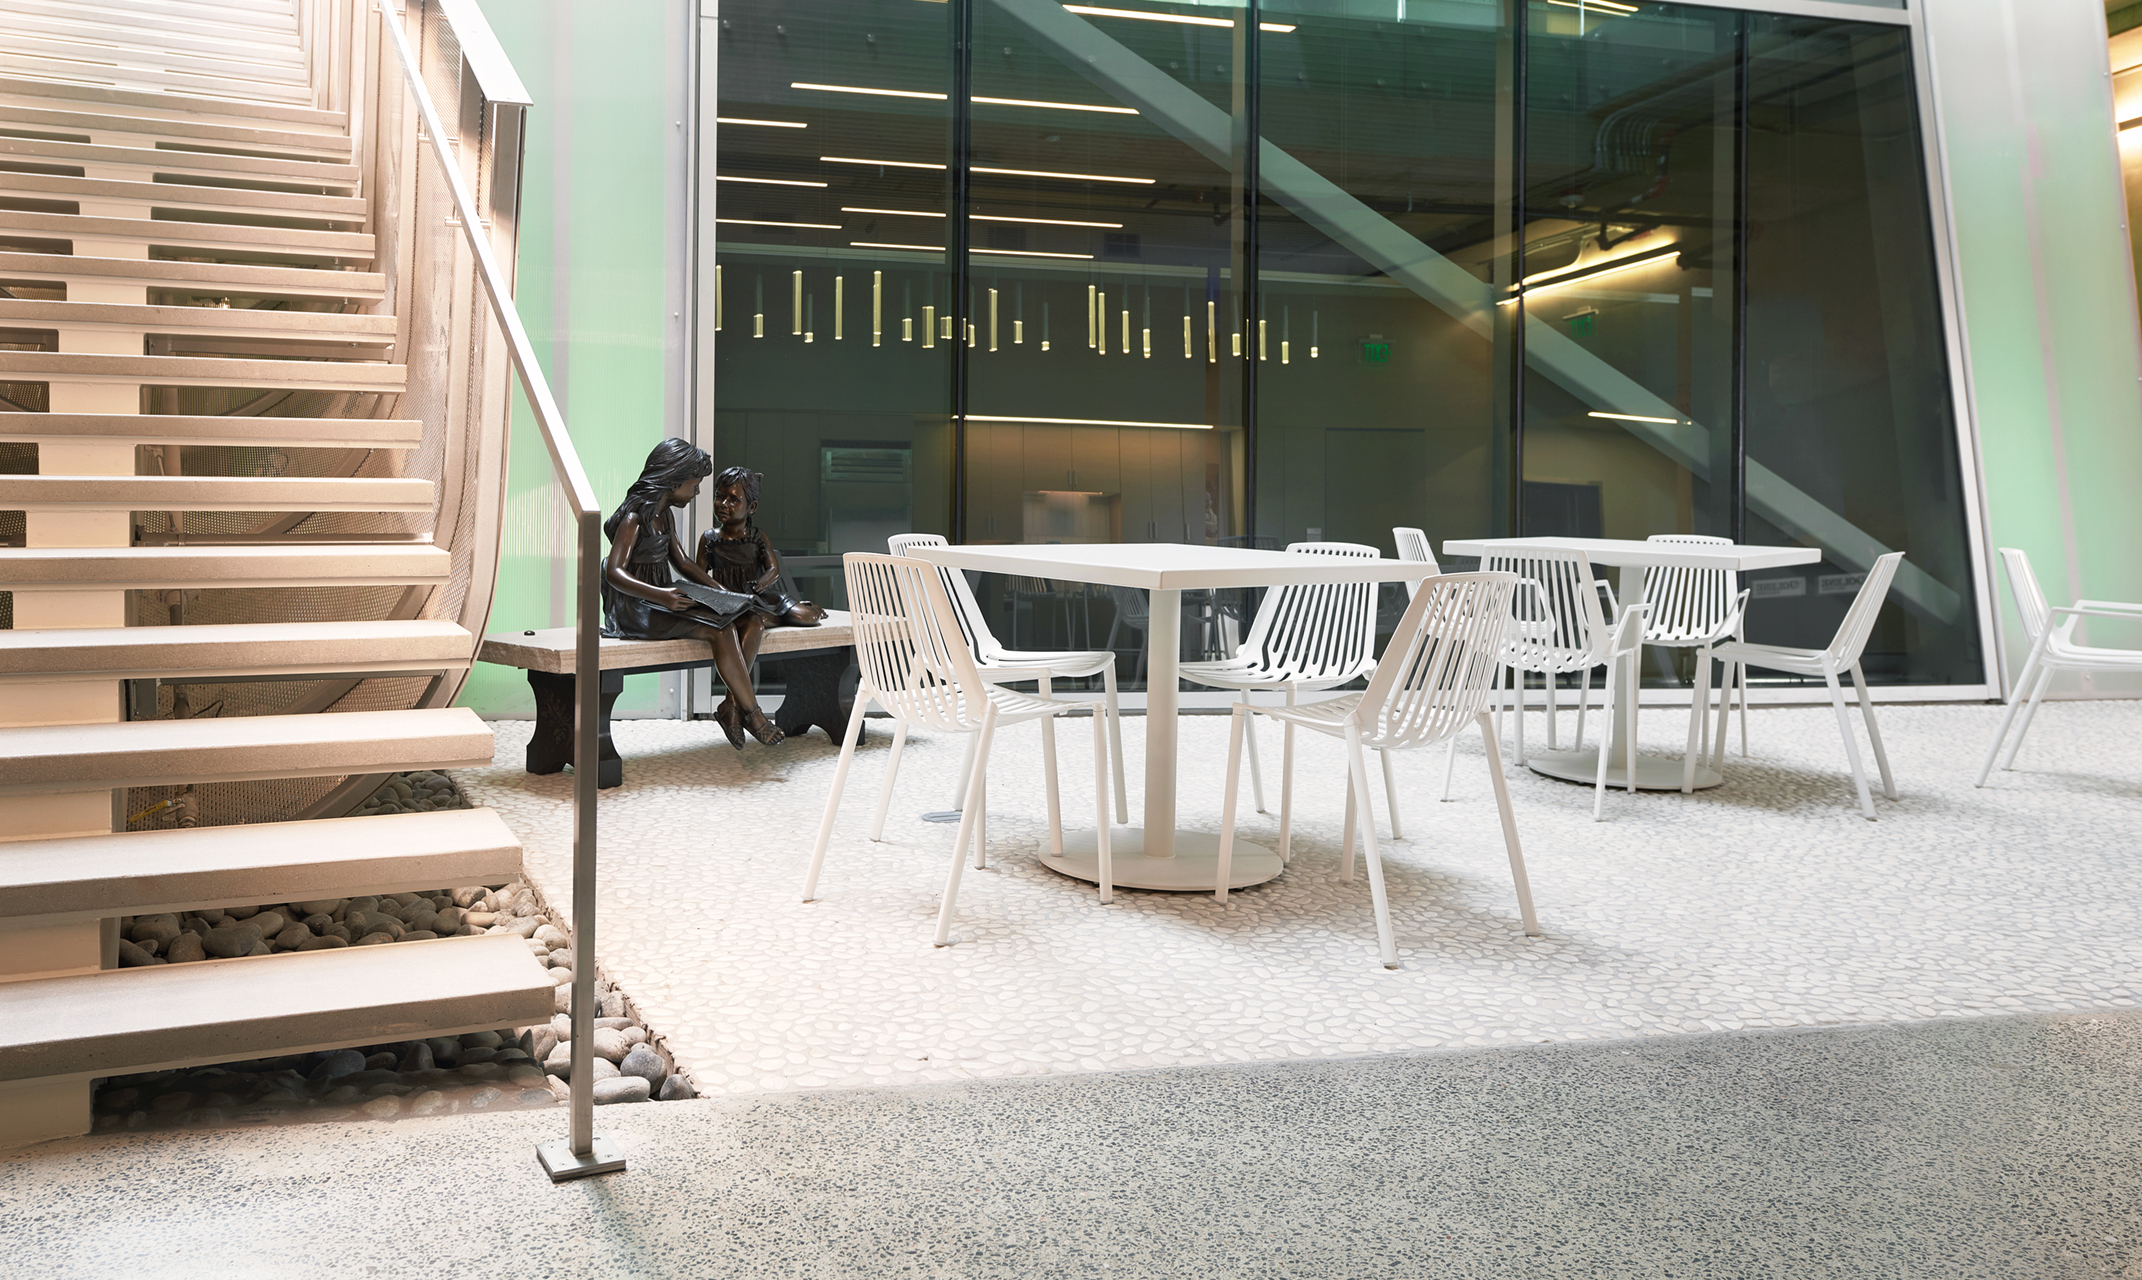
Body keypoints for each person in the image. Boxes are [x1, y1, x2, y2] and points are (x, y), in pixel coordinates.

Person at [601, 438, 784, 749]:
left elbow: (683, 563)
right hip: (637, 608)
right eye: (695, 483)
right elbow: (613, 572)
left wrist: (723, 593)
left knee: (750, 618)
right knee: (721, 629)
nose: (698, 491)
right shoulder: (635, 519)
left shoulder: (665, 516)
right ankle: (753, 714)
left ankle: (733, 708)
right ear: (674, 481)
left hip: (663, 600)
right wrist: (662, 597)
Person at [698, 465, 826, 743]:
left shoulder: (757, 537)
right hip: (731, 605)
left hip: (757, 598)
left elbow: (773, 570)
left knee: (805, 617)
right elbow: (698, 575)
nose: (724, 505)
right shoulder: (710, 539)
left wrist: (760, 584)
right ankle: (736, 706)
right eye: (720, 497)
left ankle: (731, 706)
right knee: (753, 624)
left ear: (751, 507)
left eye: (734, 499)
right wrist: (716, 595)